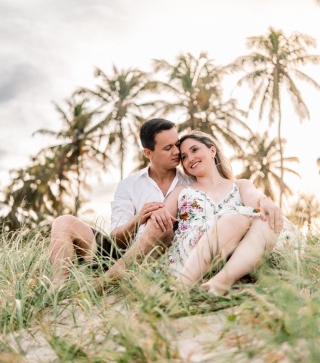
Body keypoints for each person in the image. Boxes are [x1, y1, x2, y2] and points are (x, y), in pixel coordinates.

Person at [107, 131, 292, 295]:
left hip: (241, 251)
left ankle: (219, 283)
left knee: (264, 219)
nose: (190, 159)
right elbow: (161, 216)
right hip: (195, 255)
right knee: (235, 221)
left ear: (212, 151)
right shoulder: (182, 190)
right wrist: (154, 213)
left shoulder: (240, 185)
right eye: (184, 157)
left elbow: (254, 197)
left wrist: (265, 202)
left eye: (195, 150)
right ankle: (182, 286)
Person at [49, 118, 191, 283]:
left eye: (177, 144)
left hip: (165, 258)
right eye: (168, 148)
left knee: (161, 227)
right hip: (121, 258)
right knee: (63, 222)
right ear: (148, 153)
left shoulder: (191, 182)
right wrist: (137, 220)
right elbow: (116, 239)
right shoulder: (129, 185)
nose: (176, 151)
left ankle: (109, 282)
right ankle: (59, 287)